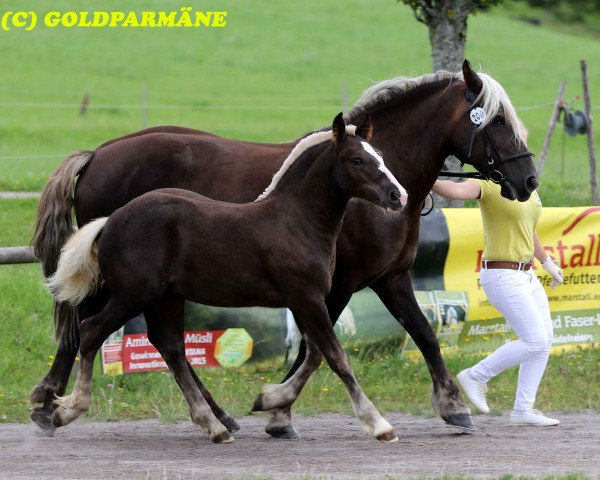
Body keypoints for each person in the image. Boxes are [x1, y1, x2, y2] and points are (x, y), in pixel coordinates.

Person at [432, 176, 564, 426]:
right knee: (535, 341)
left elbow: (528, 228)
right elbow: (455, 190)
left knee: (544, 341)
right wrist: (426, 176)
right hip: (502, 275)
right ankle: (475, 375)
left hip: (527, 274)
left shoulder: (527, 185)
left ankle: (523, 410)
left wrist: (547, 262)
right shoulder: (489, 184)